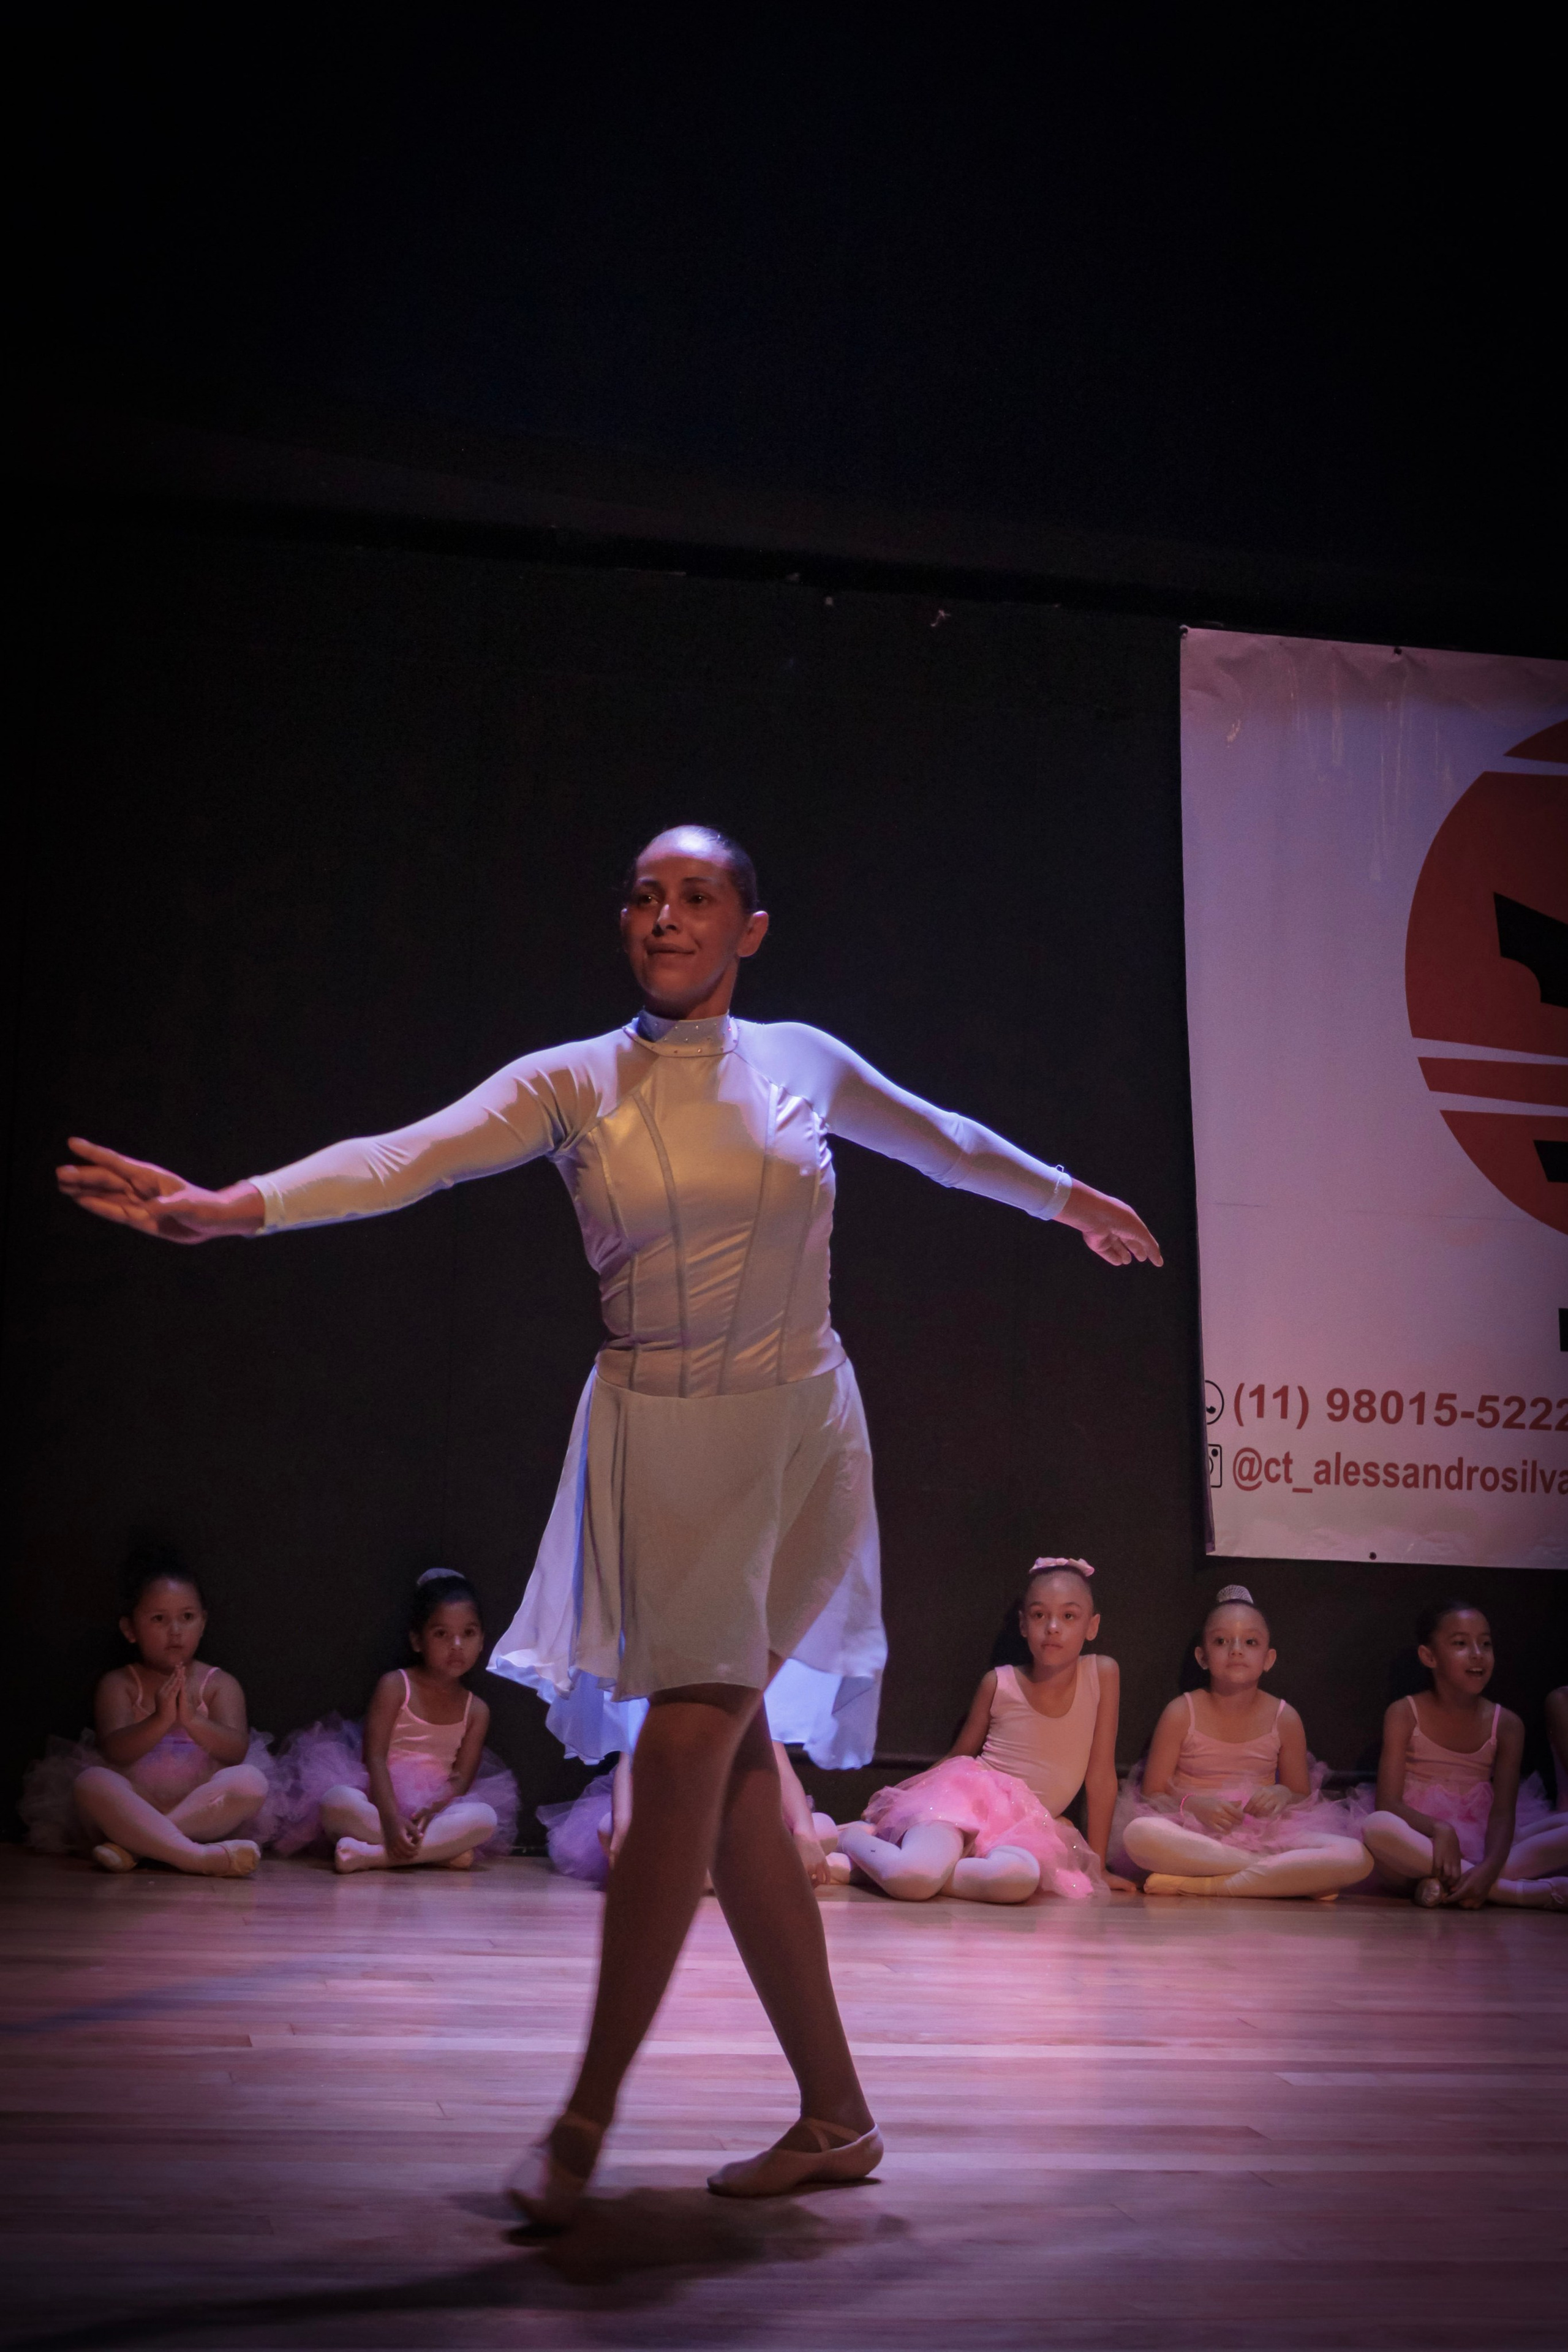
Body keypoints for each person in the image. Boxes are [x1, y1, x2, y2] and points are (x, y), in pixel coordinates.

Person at [56, 822, 1161, 2220]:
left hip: (800, 1435)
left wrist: (1072, 1202)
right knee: (735, 1765)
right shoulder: (573, 1079)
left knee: (695, 1737)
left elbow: (941, 1143)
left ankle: (581, 2122)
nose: (665, 915)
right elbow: (409, 1157)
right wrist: (235, 1209)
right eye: (644, 895)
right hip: (658, 1439)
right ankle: (835, 2113)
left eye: (697, 895)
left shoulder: (800, 1059)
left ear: (748, 927)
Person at [837, 1558, 1128, 1902]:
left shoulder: (1102, 1674)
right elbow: (958, 1759)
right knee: (914, 1878)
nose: (1052, 1627)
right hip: (965, 1805)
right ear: (1023, 1624)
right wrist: (899, 1807)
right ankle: (854, 1837)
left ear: (1091, 1626)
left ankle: (880, 1867)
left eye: (1068, 1616)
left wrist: (1099, 1863)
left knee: (1018, 1881)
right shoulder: (1000, 1683)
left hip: (1024, 1829)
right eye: (1039, 1615)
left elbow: (1101, 1776)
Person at [21, 1547, 273, 1875]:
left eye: (187, 1617)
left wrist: (192, 1721)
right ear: (130, 1629)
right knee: (91, 1782)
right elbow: (115, 1750)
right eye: (159, 1619)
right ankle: (194, 1857)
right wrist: (161, 1720)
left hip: (202, 1807)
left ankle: (138, 1846)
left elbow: (235, 1751)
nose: (175, 1631)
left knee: (251, 1782)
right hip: (135, 1804)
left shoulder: (218, 1684)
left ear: (203, 1622)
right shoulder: (120, 1684)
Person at [1114, 1585, 1372, 1899]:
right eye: (1222, 1641)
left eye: (1250, 1642)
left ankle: (1203, 1884)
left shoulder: (1284, 1717)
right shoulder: (1182, 1712)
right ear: (1203, 1657)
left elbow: (1300, 1793)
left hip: (1267, 1832)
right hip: (1193, 1833)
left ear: (1268, 1658)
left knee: (1355, 1856)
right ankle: (1280, 1874)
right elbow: (1152, 1792)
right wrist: (1192, 1805)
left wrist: (1280, 1793)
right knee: (1141, 1834)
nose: (1236, 1650)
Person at [270, 1569, 519, 1871]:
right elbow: (374, 1757)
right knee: (336, 1802)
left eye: (468, 1633)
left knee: (484, 1819)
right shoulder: (396, 1686)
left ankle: (373, 1856)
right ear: (417, 1640)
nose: (456, 1645)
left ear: (482, 1641)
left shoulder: (477, 1710)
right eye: (441, 1634)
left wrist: (434, 1808)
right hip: (379, 1801)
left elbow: (461, 1778)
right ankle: (436, 1851)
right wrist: (389, 1819)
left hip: (433, 1812)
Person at [1360, 1602, 1567, 1909]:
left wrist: (1490, 1866)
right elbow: (1388, 1803)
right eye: (1460, 1644)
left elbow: (1502, 1814)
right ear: (1429, 1656)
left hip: (1484, 1839)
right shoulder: (1404, 1713)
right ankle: (1519, 1893)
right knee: (1378, 1827)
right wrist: (1440, 1829)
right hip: (1420, 1836)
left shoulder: (1507, 1725)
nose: (1477, 1654)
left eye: (1486, 1644)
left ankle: (1457, 1883)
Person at [540, 1690, 850, 1890]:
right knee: (608, 1828)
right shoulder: (659, 1696)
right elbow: (629, 1763)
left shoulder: (747, 1698)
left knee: (823, 1829)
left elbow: (779, 1766)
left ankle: (705, 1878)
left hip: (737, 1818)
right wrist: (624, 1829)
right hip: (675, 1817)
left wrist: (804, 1833)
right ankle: (757, 1876)